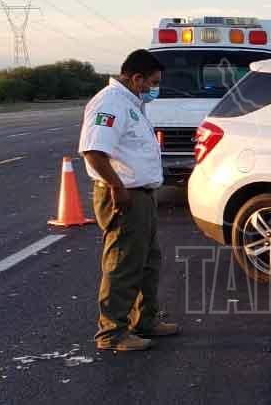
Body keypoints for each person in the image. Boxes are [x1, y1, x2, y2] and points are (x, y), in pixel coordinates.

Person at [79, 49, 179, 351]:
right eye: (152, 82)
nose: (153, 88)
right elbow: (94, 151)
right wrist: (117, 187)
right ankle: (112, 333)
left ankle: (144, 320)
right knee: (123, 263)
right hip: (124, 195)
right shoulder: (110, 103)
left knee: (148, 262)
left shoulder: (130, 103)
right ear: (136, 78)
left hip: (142, 195)